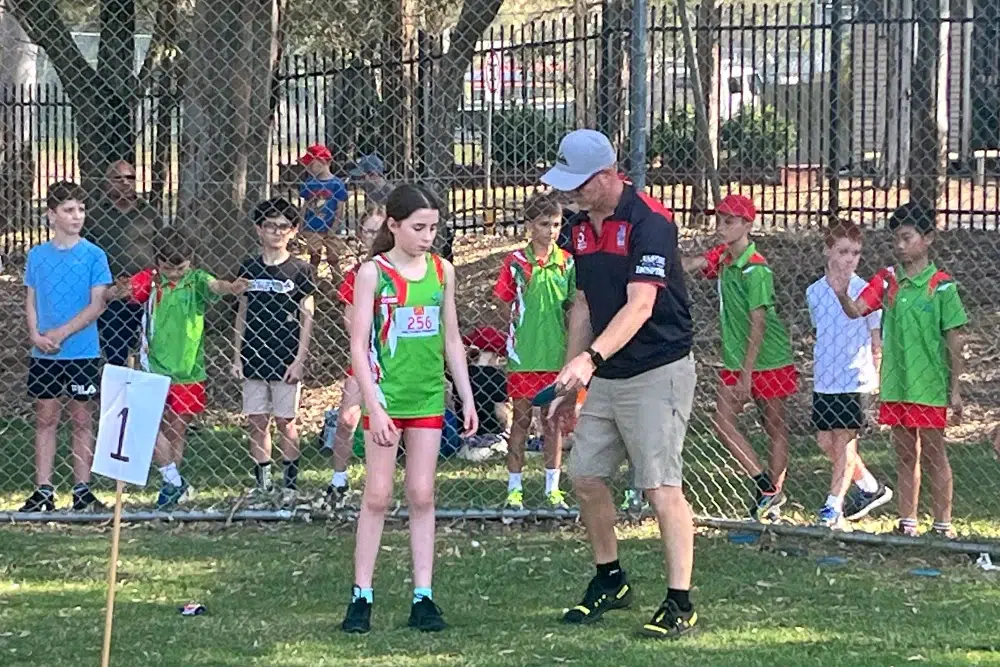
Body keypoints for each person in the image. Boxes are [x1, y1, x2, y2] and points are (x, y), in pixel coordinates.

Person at [544, 129, 699, 639]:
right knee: (585, 477)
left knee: (659, 487)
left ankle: (680, 601)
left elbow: (640, 305)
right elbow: (586, 304)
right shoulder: (578, 228)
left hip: (657, 368)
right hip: (606, 370)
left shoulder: (650, 223)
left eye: (579, 183)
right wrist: (570, 376)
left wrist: (589, 360)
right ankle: (611, 579)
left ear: (608, 175)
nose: (570, 194)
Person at [340, 184, 478, 635]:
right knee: (377, 495)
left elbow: (452, 338)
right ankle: (362, 594)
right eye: (418, 227)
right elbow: (359, 347)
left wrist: (466, 394)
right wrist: (373, 407)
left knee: (422, 494)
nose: (426, 236)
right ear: (393, 225)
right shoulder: (372, 273)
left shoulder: (442, 271)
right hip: (387, 398)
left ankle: (424, 595)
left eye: (433, 228)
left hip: (426, 399)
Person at [831, 202, 966, 538]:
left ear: (928, 238)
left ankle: (943, 523)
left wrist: (955, 388)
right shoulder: (888, 280)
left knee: (935, 454)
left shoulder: (942, 286)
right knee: (906, 454)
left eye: (907, 238)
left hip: (930, 384)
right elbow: (857, 310)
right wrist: (841, 289)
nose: (901, 246)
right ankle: (907, 522)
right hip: (897, 382)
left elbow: (954, 341)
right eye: (897, 240)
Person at [111, 227, 249, 509]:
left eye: (180, 267)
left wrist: (231, 287)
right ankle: (173, 479)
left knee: (177, 430)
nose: (174, 274)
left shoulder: (196, 280)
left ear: (191, 261)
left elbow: (216, 286)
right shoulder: (150, 281)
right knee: (146, 425)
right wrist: (120, 289)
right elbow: (116, 294)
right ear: (157, 261)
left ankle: (170, 487)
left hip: (188, 371)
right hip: (153, 368)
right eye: (167, 268)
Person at [681, 194, 798, 520]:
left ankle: (771, 500)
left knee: (774, 426)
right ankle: (766, 487)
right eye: (719, 220)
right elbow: (692, 264)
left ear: (747, 225)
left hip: (768, 359)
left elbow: (759, 323)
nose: (721, 227)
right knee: (722, 422)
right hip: (737, 360)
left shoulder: (755, 269)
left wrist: (747, 375)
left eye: (729, 221)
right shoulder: (724, 259)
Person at [20, 181, 111, 512]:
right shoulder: (37, 256)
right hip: (44, 352)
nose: (76, 216)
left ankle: (82, 489)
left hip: (81, 351)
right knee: (46, 418)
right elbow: (31, 298)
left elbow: (97, 304)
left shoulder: (94, 255)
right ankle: (43, 489)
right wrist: (36, 335)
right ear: (51, 215)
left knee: (82, 418)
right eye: (68, 210)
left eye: (81, 210)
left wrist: (62, 333)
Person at [806, 219, 893, 529]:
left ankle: (833, 507)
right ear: (827, 250)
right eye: (843, 251)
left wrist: (878, 374)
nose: (850, 259)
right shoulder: (814, 291)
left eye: (856, 253)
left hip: (854, 376)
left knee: (844, 441)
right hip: (825, 377)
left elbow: (875, 338)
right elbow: (822, 330)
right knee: (824, 441)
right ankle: (870, 486)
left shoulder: (864, 290)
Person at [232, 198, 316, 506]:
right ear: (259, 229)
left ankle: (290, 483)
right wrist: (237, 355)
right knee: (257, 421)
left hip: (285, 356)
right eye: (270, 226)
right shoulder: (248, 268)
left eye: (284, 226)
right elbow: (241, 311)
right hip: (254, 355)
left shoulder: (300, 270)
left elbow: (308, 315)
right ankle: (263, 482)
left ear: (293, 231)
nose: (277, 232)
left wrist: (300, 359)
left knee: (286, 421)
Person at [494, 192, 575, 511]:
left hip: (555, 356)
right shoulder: (516, 262)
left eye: (556, 224)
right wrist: (516, 329)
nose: (551, 231)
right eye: (544, 224)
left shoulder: (566, 262)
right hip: (524, 357)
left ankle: (552, 488)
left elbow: (573, 307)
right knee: (522, 420)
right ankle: (514, 489)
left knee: (553, 420)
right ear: (529, 225)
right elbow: (503, 301)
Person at [325, 205, 386, 507]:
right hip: (366, 357)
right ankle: (338, 480)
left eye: (380, 231)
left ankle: (382, 482)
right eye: (369, 231)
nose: (374, 237)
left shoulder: (401, 270)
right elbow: (350, 322)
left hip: (398, 357)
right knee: (347, 419)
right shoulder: (356, 275)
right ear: (361, 235)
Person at [86, 160, 161, 367]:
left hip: (146, 291)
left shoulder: (149, 213)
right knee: (115, 348)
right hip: (111, 293)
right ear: (107, 183)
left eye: (130, 178)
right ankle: (117, 387)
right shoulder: (95, 215)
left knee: (149, 344)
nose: (125, 183)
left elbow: (161, 249)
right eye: (118, 179)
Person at [299, 144, 349, 278]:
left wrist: (335, 226)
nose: (308, 168)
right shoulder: (309, 183)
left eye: (311, 164)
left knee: (333, 258)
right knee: (314, 256)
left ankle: (338, 284)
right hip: (312, 226)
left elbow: (340, 208)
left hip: (331, 226)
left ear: (323, 162)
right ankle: (312, 282)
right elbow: (306, 205)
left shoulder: (337, 184)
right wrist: (301, 224)